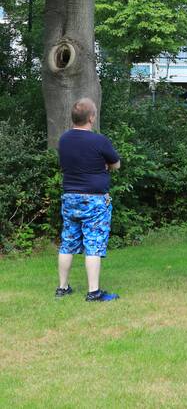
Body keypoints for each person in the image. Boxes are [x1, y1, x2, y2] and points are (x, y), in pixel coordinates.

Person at [55, 98, 121, 302]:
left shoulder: (64, 140)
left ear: (73, 117)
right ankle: (93, 292)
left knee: (67, 242)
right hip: (95, 200)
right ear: (91, 118)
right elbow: (116, 164)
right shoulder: (99, 141)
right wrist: (104, 166)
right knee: (94, 243)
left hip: (70, 198)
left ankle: (62, 288)